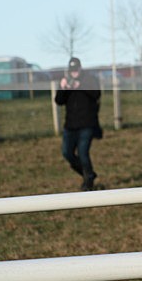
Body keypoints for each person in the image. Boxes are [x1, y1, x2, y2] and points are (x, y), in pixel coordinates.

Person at [54, 57, 101, 191]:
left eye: (76, 70)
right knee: (66, 153)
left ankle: (88, 182)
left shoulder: (89, 80)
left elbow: (96, 94)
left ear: (80, 68)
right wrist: (63, 88)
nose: (74, 73)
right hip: (70, 126)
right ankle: (88, 174)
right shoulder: (66, 82)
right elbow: (59, 101)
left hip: (87, 124)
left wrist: (80, 86)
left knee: (83, 153)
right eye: (72, 71)